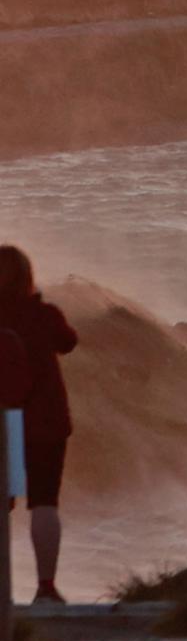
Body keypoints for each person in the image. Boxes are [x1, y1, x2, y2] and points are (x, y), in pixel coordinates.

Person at [0, 246, 77, 603]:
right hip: (45, 425)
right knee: (44, 503)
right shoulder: (43, 314)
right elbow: (69, 342)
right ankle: (46, 588)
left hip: (3, 422)